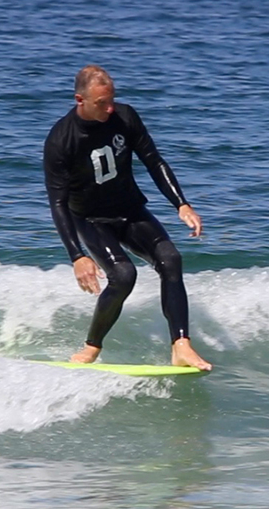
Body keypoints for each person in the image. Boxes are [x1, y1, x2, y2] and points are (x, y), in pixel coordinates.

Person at [43, 65, 212, 370]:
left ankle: (181, 345)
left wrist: (181, 205)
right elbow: (58, 203)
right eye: (101, 104)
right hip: (91, 220)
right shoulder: (61, 140)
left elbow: (153, 160)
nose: (110, 108)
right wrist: (76, 256)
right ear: (79, 100)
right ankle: (92, 347)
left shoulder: (125, 117)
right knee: (123, 276)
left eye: (111, 100)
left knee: (171, 259)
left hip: (130, 210)